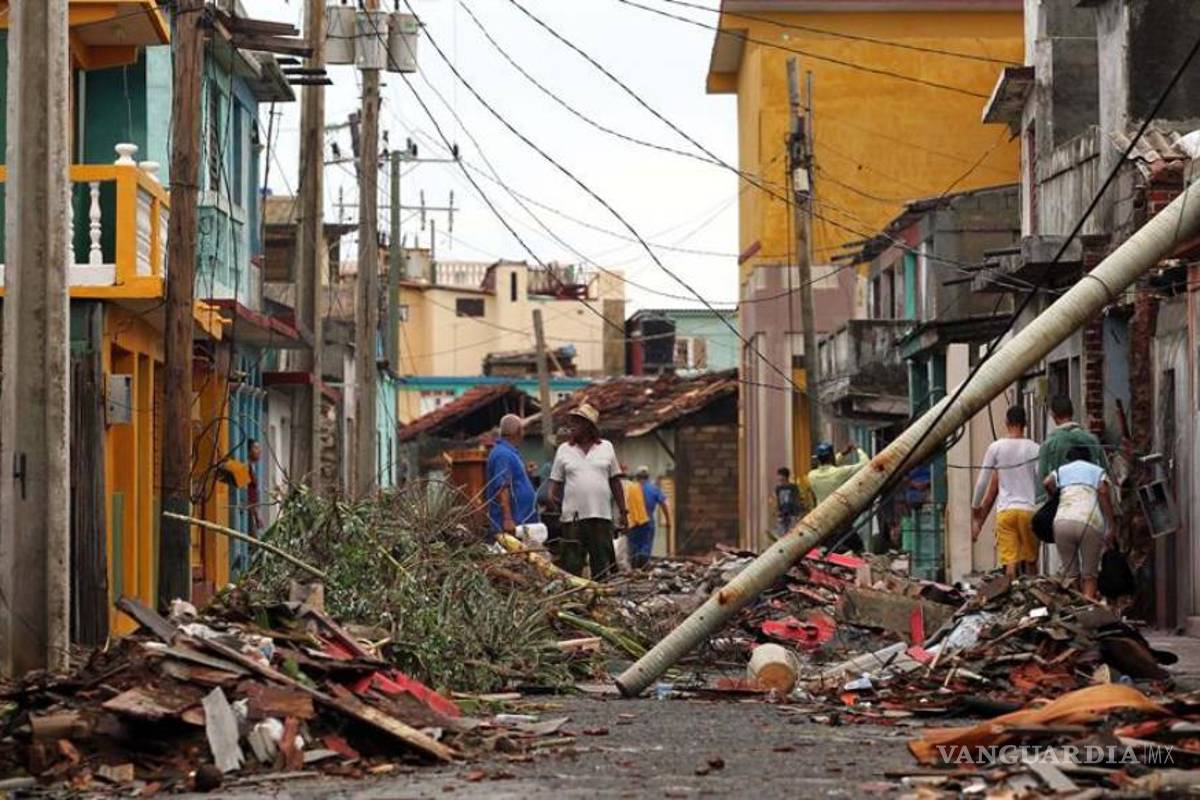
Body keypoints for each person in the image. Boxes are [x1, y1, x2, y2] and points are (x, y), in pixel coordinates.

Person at [548, 403, 627, 579]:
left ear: (589, 426)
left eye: (577, 422)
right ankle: (573, 602)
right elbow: (555, 481)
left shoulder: (606, 447)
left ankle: (601, 601)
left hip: (601, 517)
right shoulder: (564, 450)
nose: (571, 427)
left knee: (601, 565)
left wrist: (623, 511)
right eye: (571, 422)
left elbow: (615, 481)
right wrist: (552, 497)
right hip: (573, 519)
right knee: (572, 565)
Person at [971, 405, 1041, 578]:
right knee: (1031, 561)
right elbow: (1041, 481)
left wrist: (975, 508)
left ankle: (1011, 597)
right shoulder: (1035, 448)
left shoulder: (996, 448)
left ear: (1006, 422)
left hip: (1005, 512)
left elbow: (982, 482)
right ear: (1025, 424)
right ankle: (1034, 597)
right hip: (1028, 511)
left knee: (1010, 563)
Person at [1043, 445, 1119, 599]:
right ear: (1088, 458)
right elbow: (1103, 492)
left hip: (1062, 523)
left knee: (1071, 574)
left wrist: (1054, 497)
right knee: (1089, 574)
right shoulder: (1097, 471)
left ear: (1069, 459)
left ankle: (1075, 607)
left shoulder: (1062, 470)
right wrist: (1111, 524)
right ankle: (1087, 608)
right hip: (1089, 523)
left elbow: (1046, 482)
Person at [485, 414, 538, 542]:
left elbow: (510, 479)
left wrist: (525, 472)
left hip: (521, 520)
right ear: (518, 431)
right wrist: (508, 519)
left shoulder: (509, 452)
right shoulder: (503, 454)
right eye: (523, 429)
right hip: (512, 523)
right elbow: (502, 487)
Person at [1039, 395, 1108, 479]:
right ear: (1072, 412)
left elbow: (1042, 484)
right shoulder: (1093, 440)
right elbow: (1105, 475)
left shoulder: (1049, 445)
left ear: (1053, 415)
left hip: (1062, 491)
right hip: (1090, 490)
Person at [628, 466, 671, 569]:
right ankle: (643, 569)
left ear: (637, 477)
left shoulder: (631, 488)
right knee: (645, 546)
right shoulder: (654, 489)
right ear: (648, 477)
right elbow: (664, 504)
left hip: (633, 522)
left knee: (634, 547)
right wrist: (668, 520)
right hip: (647, 522)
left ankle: (634, 569)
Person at [772, 467, 803, 538]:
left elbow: (796, 500)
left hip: (792, 514)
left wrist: (798, 513)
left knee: (791, 534)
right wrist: (776, 510)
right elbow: (777, 500)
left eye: (781, 477)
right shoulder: (778, 488)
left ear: (786, 477)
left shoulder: (793, 487)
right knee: (782, 535)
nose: (780, 480)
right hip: (782, 514)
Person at [246, 438, 262, 534]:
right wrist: (255, 515)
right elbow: (248, 492)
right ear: (248, 451)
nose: (259, 451)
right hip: (248, 511)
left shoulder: (253, 467)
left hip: (253, 511)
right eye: (256, 448)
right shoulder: (247, 467)